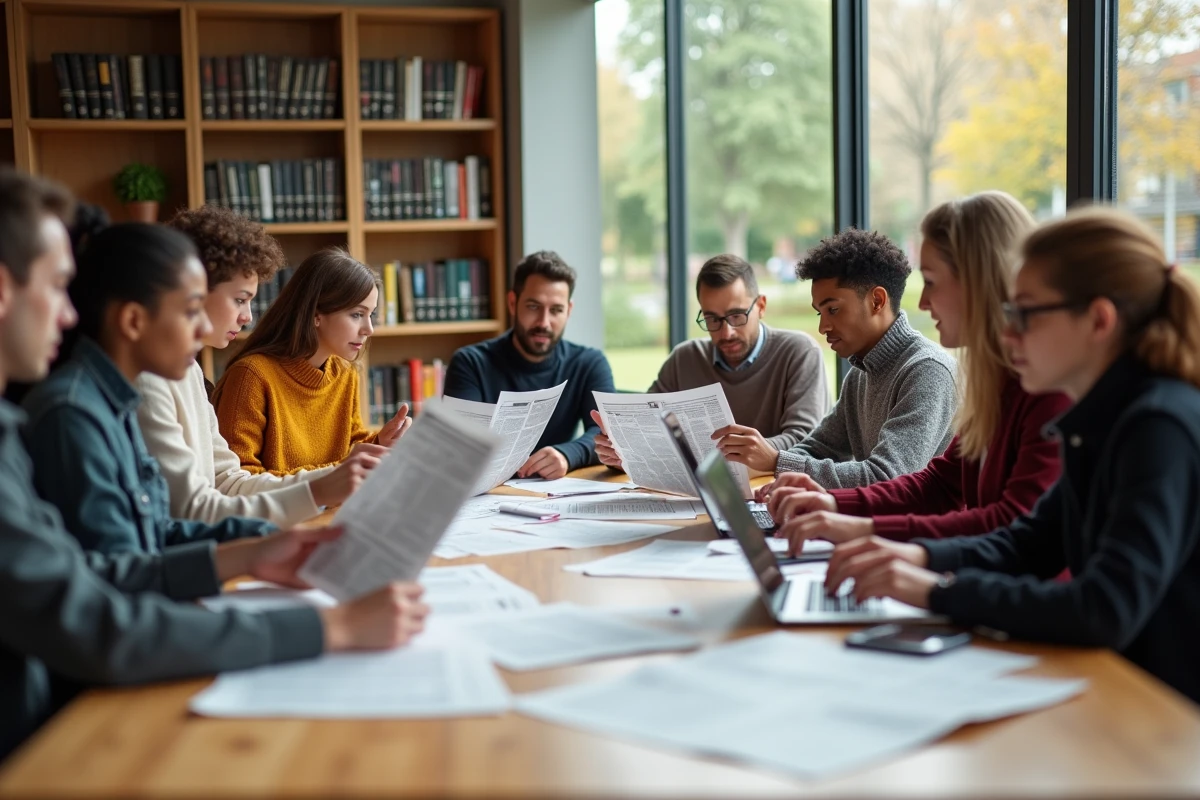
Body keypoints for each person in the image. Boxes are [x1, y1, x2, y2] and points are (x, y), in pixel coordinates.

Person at [0, 168, 426, 760]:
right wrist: (333, 628)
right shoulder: (71, 414)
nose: (68, 314)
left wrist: (252, 550)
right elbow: (101, 617)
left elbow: (122, 561)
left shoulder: (116, 400)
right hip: (60, 733)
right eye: (55, 287)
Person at [824, 208, 1200, 705]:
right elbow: (1030, 542)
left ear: (1099, 321)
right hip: (1117, 697)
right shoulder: (1102, 420)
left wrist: (935, 591)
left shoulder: (1156, 426)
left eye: (1024, 314)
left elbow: (1105, 606)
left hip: (1162, 722)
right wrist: (916, 558)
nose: (1009, 334)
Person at [765, 192, 1070, 551]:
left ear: (977, 281)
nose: (923, 302)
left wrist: (873, 538)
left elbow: (1011, 526)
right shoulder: (998, 381)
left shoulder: (1044, 385)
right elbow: (940, 485)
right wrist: (832, 505)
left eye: (931, 281)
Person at [23, 224, 280, 554]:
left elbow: (157, 530)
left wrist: (266, 538)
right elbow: (121, 574)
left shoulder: (117, 400)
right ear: (133, 321)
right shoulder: (72, 413)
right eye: (190, 311)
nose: (202, 326)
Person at [136, 206, 383, 527]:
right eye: (240, 299)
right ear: (191, 292)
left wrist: (339, 477)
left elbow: (228, 481)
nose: (248, 316)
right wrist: (321, 490)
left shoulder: (189, 371)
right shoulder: (150, 380)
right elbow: (191, 508)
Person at [745, 228, 958, 487]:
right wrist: (782, 474)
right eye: (819, 313)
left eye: (833, 310)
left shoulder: (927, 371)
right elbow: (818, 447)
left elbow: (886, 478)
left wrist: (779, 462)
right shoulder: (861, 373)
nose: (823, 327)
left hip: (919, 527)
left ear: (877, 301)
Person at [592, 253, 829, 473]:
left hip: (776, 492)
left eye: (737, 316)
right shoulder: (684, 359)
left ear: (761, 306)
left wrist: (726, 458)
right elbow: (649, 429)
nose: (727, 333)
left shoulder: (798, 352)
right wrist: (625, 452)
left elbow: (804, 439)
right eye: (712, 319)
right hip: (698, 492)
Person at [212, 248, 411, 475]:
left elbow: (349, 449)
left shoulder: (345, 373)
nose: (369, 329)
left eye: (371, 314)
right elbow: (239, 479)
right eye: (357, 314)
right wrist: (335, 474)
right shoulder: (251, 376)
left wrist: (380, 443)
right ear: (316, 315)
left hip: (332, 509)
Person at [443, 250, 615, 480]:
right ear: (513, 303)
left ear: (569, 311)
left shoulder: (589, 363)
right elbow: (461, 443)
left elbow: (606, 432)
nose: (544, 322)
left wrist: (567, 455)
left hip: (559, 494)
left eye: (556, 310)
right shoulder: (470, 363)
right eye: (534, 306)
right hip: (490, 495)